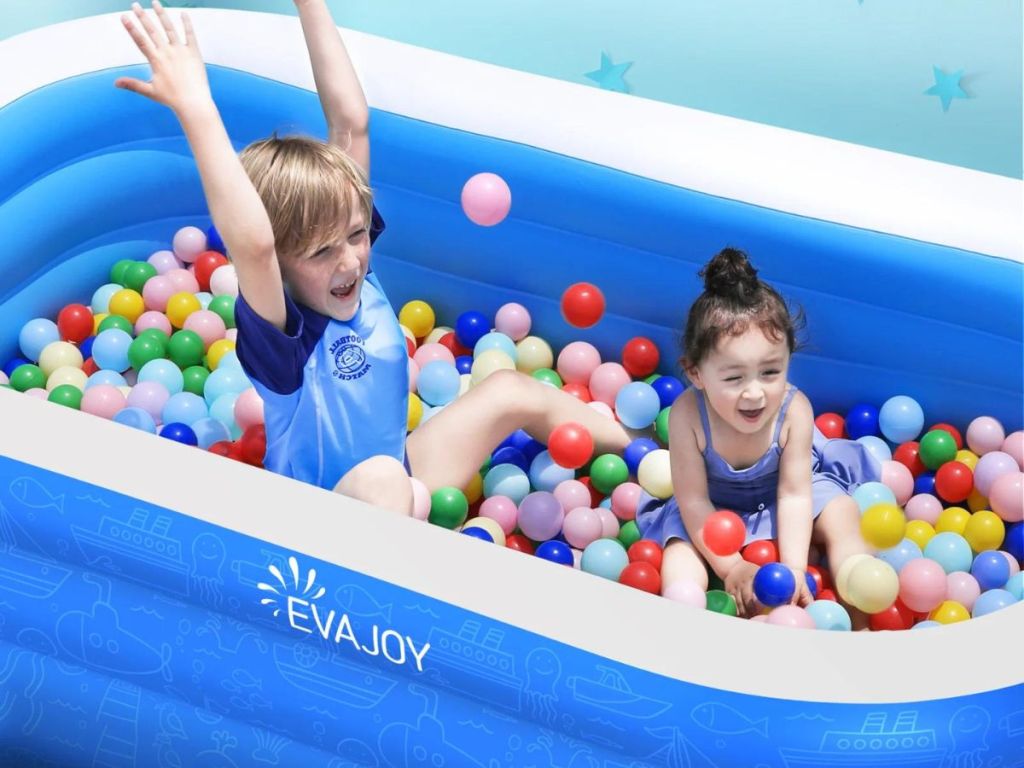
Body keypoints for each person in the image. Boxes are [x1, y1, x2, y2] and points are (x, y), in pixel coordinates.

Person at [115, 0, 630, 514]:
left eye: (357, 235)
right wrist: (196, 107)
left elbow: (351, 123)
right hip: (319, 520)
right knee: (387, 481)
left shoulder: (356, 277)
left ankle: (651, 459)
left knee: (510, 390)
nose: (351, 262)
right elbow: (252, 242)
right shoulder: (286, 344)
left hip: (400, 477)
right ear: (281, 264)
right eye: (322, 251)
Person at [635, 248, 879, 625]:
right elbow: (694, 502)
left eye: (770, 372)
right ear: (696, 374)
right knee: (679, 550)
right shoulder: (688, 415)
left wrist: (794, 569)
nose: (755, 393)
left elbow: (796, 494)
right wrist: (732, 567)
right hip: (712, 508)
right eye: (734, 378)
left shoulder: (794, 409)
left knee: (842, 512)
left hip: (785, 496)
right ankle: (681, 622)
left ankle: (858, 599)